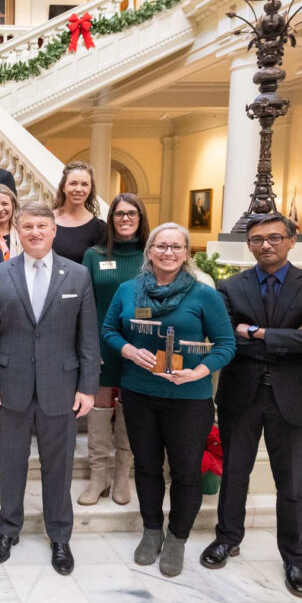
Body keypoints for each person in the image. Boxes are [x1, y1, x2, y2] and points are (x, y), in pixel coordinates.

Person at [202, 213, 302, 599]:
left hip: (296, 399)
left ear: (291, 240)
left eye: (275, 237)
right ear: (249, 244)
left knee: (291, 484)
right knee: (234, 476)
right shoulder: (229, 287)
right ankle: (228, 539)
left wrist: (259, 333)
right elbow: (226, 339)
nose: (266, 245)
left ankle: (295, 559)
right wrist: (294, 337)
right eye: (258, 239)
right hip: (242, 396)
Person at [101, 222, 235, 578]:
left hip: (189, 398)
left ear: (187, 253)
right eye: (161, 246)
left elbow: (226, 344)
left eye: (176, 247)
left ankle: (177, 538)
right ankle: (151, 531)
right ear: (150, 251)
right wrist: (128, 349)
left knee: (186, 473)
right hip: (139, 393)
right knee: (145, 467)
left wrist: (200, 372)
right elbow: (109, 330)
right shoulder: (128, 290)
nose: (168, 253)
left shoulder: (203, 294)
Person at [0, 202, 100, 575]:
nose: (35, 233)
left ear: (53, 231)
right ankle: (8, 529)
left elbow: (88, 336)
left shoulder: (77, 275)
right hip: (10, 384)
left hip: (61, 386)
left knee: (59, 467)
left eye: (42, 226)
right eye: (28, 226)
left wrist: (88, 387)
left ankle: (60, 535)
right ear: (18, 229)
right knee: (10, 462)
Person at [79, 194, 150, 507]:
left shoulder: (152, 255)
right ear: (111, 219)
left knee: (129, 407)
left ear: (140, 217)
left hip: (140, 346)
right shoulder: (93, 255)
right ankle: (99, 474)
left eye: (131, 213)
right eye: (119, 213)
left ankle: (122, 472)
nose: (125, 219)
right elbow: (84, 304)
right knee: (99, 408)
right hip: (100, 344)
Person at [52, 162, 107, 264]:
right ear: (63, 187)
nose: (78, 189)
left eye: (84, 184)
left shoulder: (100, 228)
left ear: (90, 189)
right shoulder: (47, 220)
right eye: (73, 183)